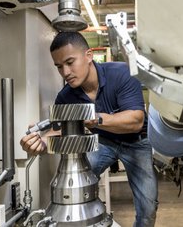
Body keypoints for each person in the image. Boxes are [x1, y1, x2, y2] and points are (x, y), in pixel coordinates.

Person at [20, 31, 158, 227]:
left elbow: (136, 120)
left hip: (137, 142)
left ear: (89, 55)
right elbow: (59, 129)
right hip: (102, 142)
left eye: (70, 62)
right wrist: (40, 141)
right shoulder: (66, 97)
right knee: (76, 187)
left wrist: (97, 119)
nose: (65, 72)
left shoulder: (121, 74)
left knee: (148, 207)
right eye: (59, 67)